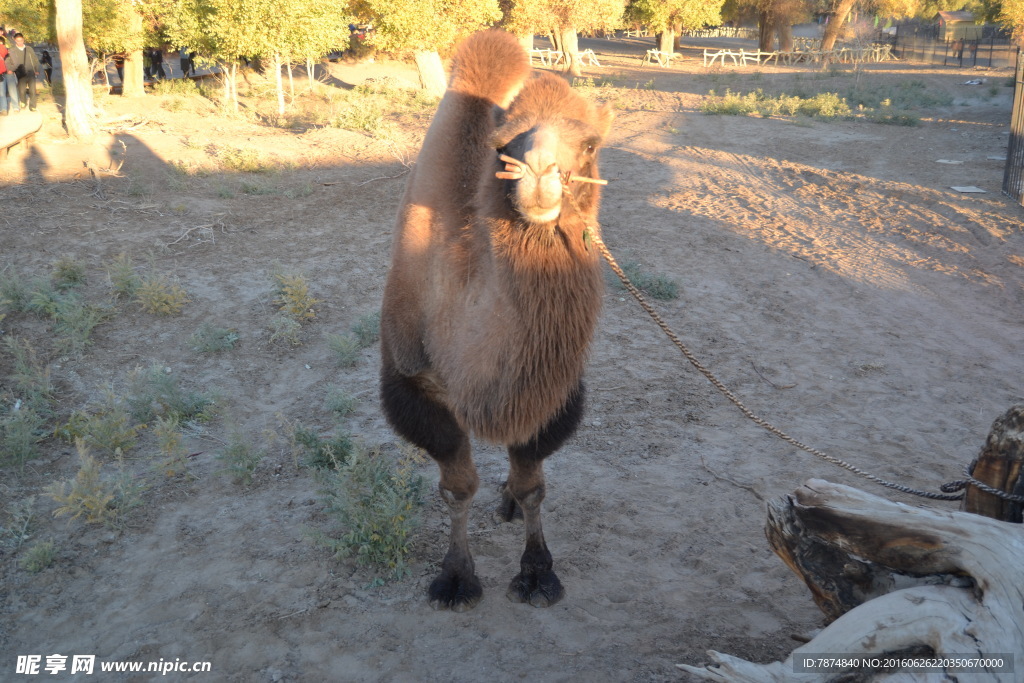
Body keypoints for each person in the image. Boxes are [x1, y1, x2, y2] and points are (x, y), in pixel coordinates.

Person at [9, 33, 39, 112]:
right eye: (18, 41)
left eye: (21, 40)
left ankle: (33, 106)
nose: (20, 42)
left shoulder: (29, 49)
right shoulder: (12, 50)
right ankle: (23, 101)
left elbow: (35, 59)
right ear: (15, 40)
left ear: (23, 40)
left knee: (32, 90)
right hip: (20, 73)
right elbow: (10, 61)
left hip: (31, 71)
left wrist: (36, 70)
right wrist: (11, 69)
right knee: (22, 90)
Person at [0, 35, 17, 115]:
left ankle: (16, 107)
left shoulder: (7, 51)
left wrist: (12, 70)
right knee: (1, 92)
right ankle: (3, 109)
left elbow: (15, 62)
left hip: (8, 72)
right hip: (1, 73)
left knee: (12, 91)